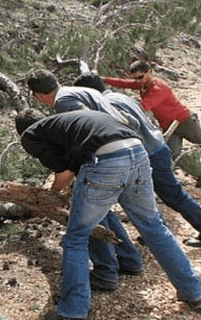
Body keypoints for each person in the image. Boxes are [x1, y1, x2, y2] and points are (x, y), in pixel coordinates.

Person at [16, 107, 201, 320]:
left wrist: (46, 197)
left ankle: (73, 316)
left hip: (106, 160)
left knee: (76, 237)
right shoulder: (70, 122)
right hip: (138, 153)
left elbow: (64, 175)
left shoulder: (31, 135)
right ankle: (193, 292)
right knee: (153, 226)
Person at [74, 71, 201, 252]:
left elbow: (132, 124)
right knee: (146, 195)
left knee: (173, 195)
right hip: (155, 148)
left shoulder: (108, 104)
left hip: (149, 152)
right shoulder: (118, 97)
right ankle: (157, 233)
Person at [27, 70, 144, 291]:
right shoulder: (79, 91)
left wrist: (54, 192)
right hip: (125, 149)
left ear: (39, 95)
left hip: (102, 161)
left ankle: (105, 272)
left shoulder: (63, 104)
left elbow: (70, 162)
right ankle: (130, 260)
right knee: (106, 214)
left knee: (83, 224)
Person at [102, 60, 201, 188]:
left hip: (185, 121)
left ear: (149, 72)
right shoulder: (143, 84)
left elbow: (142, 106)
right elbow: (124, 83)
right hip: (169, 127)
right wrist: (103, 80)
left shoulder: (159, 88)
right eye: (136, 78)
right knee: (173, 155)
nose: (138, 81)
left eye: (141, 77)